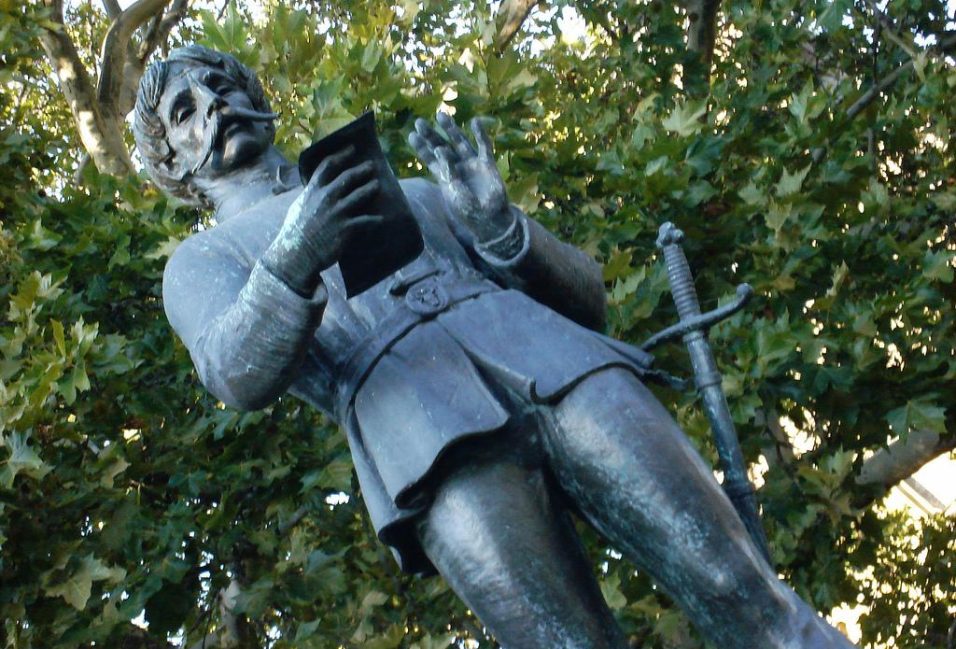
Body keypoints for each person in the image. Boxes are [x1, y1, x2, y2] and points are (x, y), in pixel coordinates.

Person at [134, 45, 856, 648]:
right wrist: (295, 257)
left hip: (553, 359)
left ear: (258, 98)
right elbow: (236, 372)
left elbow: (587, 302)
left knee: (738, 584)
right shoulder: (200, 263)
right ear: (172, 163)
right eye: (185, 110)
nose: (213, 102)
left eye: (222, 84)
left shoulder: (413, 191)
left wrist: (503, 228)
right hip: (421, 434)